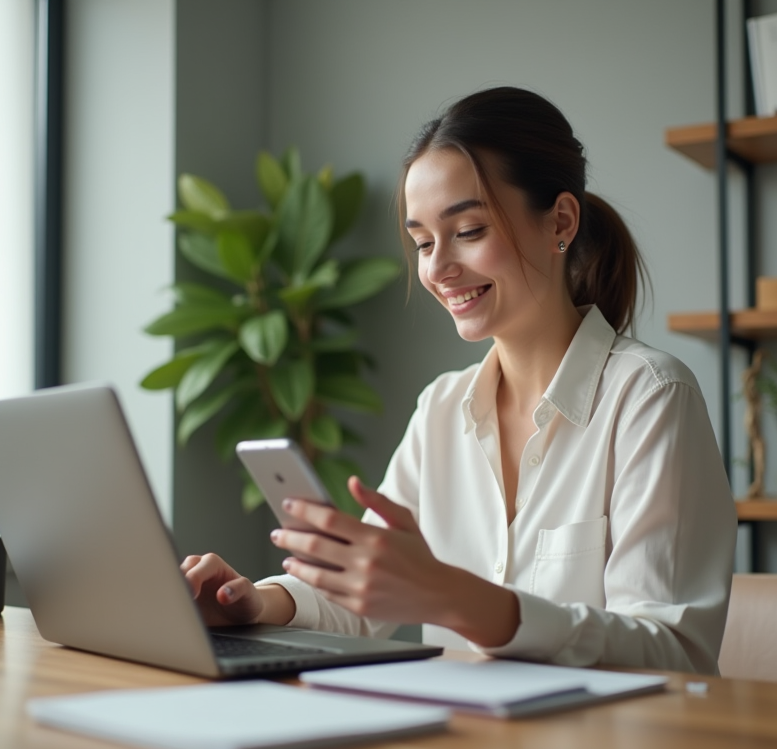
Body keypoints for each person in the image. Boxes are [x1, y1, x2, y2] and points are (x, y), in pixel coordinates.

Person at [181, 87, 737, 674]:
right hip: (460, 748)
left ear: (561, 221)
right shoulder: (442, 408)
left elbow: (674, 652)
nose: (438, 268)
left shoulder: (649, 396)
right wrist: (252, 603)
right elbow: (361, 597)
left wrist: (460, 600)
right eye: (423, 242)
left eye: (468, 231)